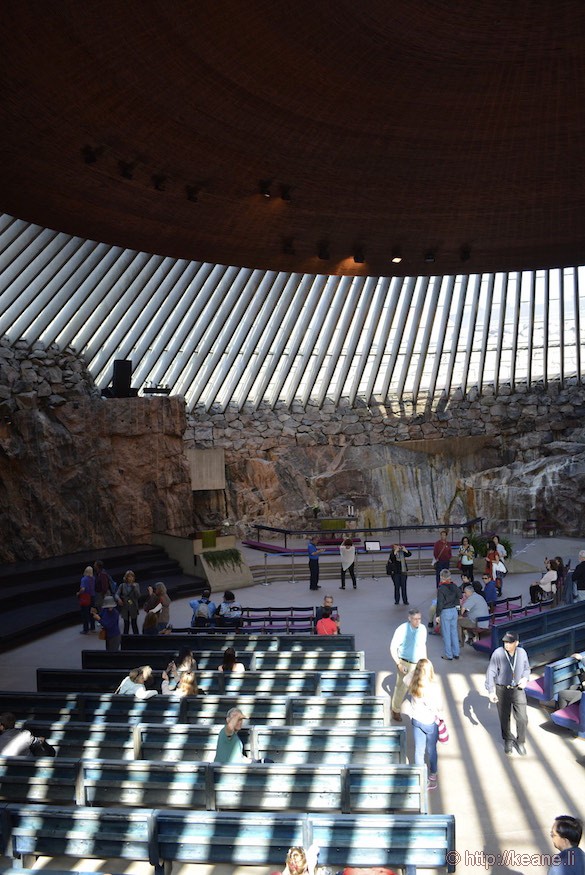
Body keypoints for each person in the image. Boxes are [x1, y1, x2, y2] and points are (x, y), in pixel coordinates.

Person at [485, 630, 530, 755]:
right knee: (504, 717)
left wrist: (525, 679)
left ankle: (520, 741)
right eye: (505, 642)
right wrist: (491, 691)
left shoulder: (522, 653)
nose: (507, 645)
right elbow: (491, 671)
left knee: (522, 718)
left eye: (510, 643)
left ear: (517, 643)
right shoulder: (498, 653)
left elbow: (527, 668)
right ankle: (508, 739)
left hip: (518, 689)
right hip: (502, 689)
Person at [400, 658, 442, 791]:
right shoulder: (433, 686)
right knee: (431, 750)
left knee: (419, 751)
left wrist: (415, 671)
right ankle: (433, 774)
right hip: (429, 722)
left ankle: (421, 777)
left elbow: (404, 679)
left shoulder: (413, 683)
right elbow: (438, 706)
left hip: (416, 720)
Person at [389, 608, 427, 721]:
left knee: (420, 686)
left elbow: (423, 645)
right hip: (405, 662)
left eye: (419, 619)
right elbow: (393, 647)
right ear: (409, 618)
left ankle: (420, 710)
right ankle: (395, 709)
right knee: (401, 687)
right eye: (415, 619)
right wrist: (398, 664)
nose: (417, 621)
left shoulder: (423, 629)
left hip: (418, 663)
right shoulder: (401, 630)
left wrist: (425, 661)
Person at [435, 568, 460, 660]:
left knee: (446, 634)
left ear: (441, 577)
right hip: (454, 610)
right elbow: (460, 596)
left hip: (445, 611)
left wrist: (437, 615)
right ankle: (456, 653)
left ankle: (449, 655)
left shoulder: (441, 588)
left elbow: (440, 602)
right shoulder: (454, 586)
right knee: (454, 632)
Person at [116, 570, 141, 635]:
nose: (130, 578)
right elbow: (116, 594)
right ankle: (126, 639)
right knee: (126, 624)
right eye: (129, 577)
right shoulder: (122, 585)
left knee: (134, 624)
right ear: (126, 577)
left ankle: (137, 638)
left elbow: (138, 595)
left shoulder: (136, 585)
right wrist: (119, 599)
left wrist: (134, 588)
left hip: (133, 606)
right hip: (125, 607)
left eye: (132, 576)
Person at [77, 565, 96, 634]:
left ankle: (86, 629)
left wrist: (78, 593)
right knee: (92, 612)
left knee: (85, 614)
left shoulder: (84, 579)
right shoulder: (93, 578)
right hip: (92, 597)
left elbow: (83, 589)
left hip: (86, 597)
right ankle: (93, 627)